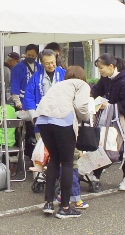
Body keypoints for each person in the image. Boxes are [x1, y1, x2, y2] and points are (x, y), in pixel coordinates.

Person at [35, 66, 91, 218]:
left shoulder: (60, 84)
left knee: (54, 158)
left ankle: (48, 203)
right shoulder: (82, 84)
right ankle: (65, 208)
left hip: (42, 120)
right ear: (82, 76)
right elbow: (82, 106)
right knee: (67, 163)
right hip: (62, 121)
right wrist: (86, 117)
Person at [92, 53, 125, 191]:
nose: (100, 71)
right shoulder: (105, 79)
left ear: (111, 66)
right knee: (104, 144)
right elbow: (96, 90)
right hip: (111, 118)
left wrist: (108, 105)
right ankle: (96, 174)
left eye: (102, 68)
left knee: (124, 148)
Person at [23, 49, 67, 119]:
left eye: (53, 62)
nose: (51, 65)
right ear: (42, 62)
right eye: (47, 63)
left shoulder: (64, 74)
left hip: (62, 115)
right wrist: (33, 116)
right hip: (42, 115)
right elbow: (29, 97)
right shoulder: (35, 77)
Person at [10, 44, 40, 111]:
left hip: (37, 102)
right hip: (22, 102)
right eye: (29, 55)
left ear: (36, 56)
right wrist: (17, 102)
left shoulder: (40, 67)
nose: (30, 57)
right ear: (25, 53)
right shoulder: (18, 67)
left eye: (33, 56)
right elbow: (15, 85)